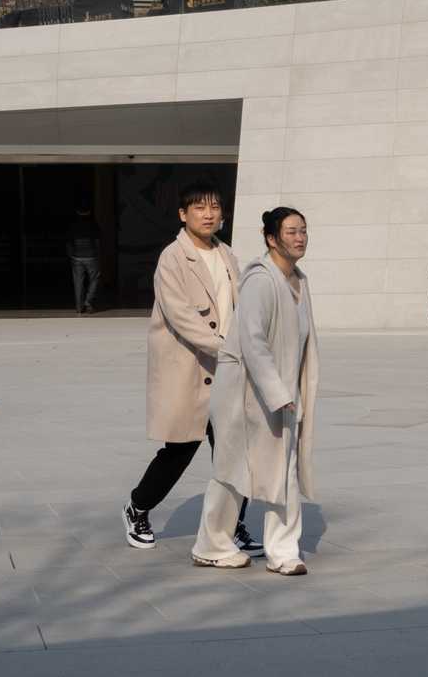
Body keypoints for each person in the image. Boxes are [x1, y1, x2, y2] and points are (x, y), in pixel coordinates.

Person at [122, 181, 259, 559]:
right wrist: (228, 349)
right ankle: (137, 509)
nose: (210, 214)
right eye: (200, 208)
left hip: (229, 369)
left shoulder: (227, 253)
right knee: (180, 449)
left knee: (234, 450)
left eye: (215, 207)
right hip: (191, 367)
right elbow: (181, 315)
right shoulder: (172, 257)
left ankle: (232, 526)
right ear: (183, 214)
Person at [194, 207, 319, 576]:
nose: (300, 238)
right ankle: (211, 544)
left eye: (304, 230)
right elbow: (253, 341)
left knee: (284, 469)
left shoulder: (299, 279)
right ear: (271, 239)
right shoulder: (261, 280)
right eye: (291, 231)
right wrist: (279, 391)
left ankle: (283, 551)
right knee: (232, 471)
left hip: (279, 395)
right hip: (244, 394)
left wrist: (289, 391)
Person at [65, 202, 104, 314]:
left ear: (78, 212)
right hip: (91, 256)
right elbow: (97, 242)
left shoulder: (72, 226)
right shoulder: (94, 225)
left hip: (76, 256)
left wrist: (70, 254)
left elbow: (68, 243)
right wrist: (98, 254)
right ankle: (88, 298)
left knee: (78, 283)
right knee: (94, 278)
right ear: (89, 212)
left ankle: (79, 308)